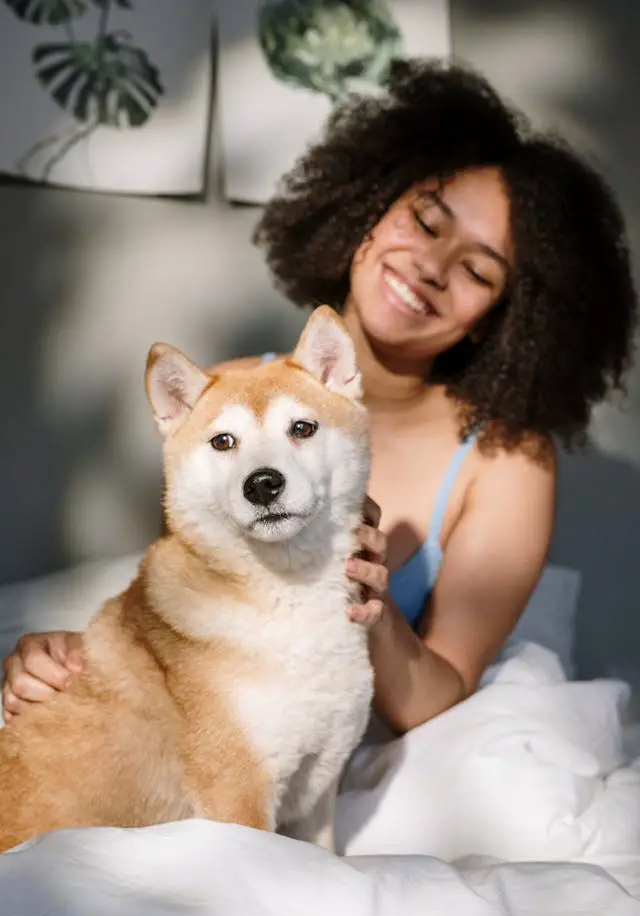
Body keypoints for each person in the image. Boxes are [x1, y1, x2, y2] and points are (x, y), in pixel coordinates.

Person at [3, 60, 636, 737]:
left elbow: (433, 700)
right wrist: (72, 661)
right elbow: (185, 627)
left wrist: (373, 603)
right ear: (371, 205)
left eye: (478, 270)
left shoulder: (509, 460)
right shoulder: (221, 392)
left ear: (498, 318)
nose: (431, 265)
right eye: (425, 221)